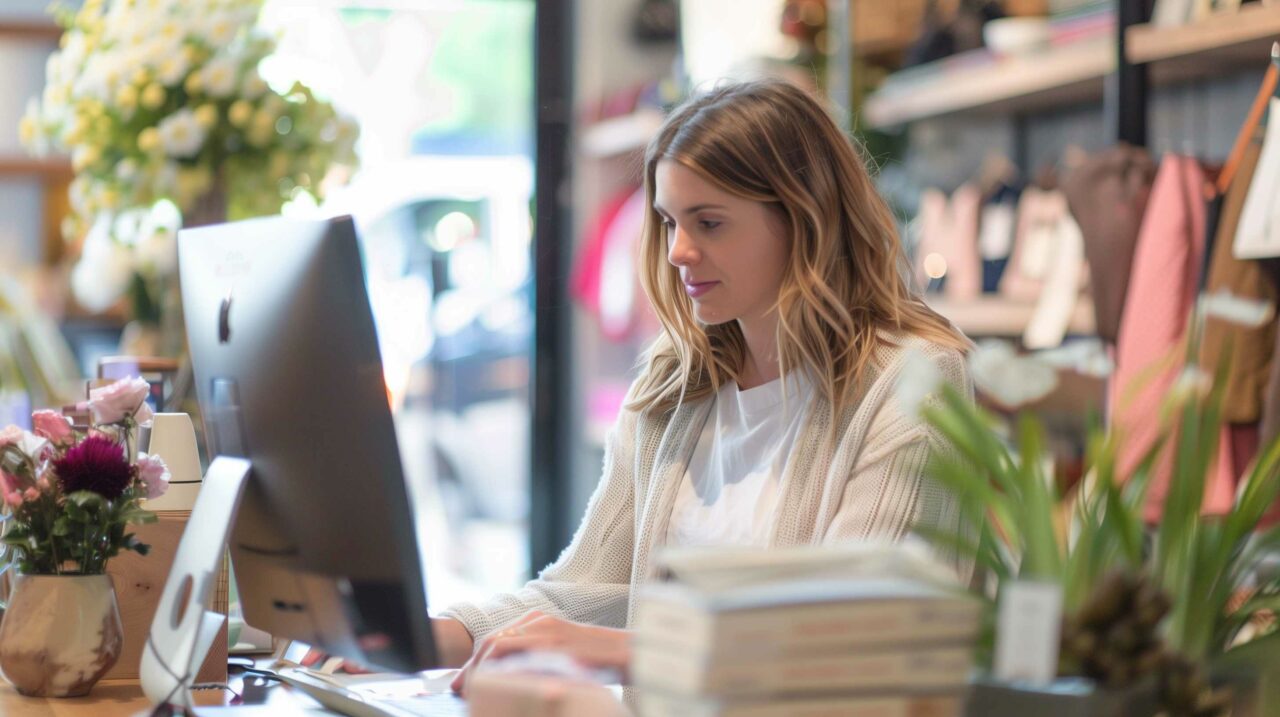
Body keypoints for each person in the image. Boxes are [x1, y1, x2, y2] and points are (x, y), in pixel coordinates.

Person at [431, 78, 973, 691]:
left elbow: (857, 637)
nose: (678, 252)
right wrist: (423, 638)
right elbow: (587, 592)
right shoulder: (675, 380)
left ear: (804, 219)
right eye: (668, 222)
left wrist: (624, 652)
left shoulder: (913, 381)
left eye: (709, 223)